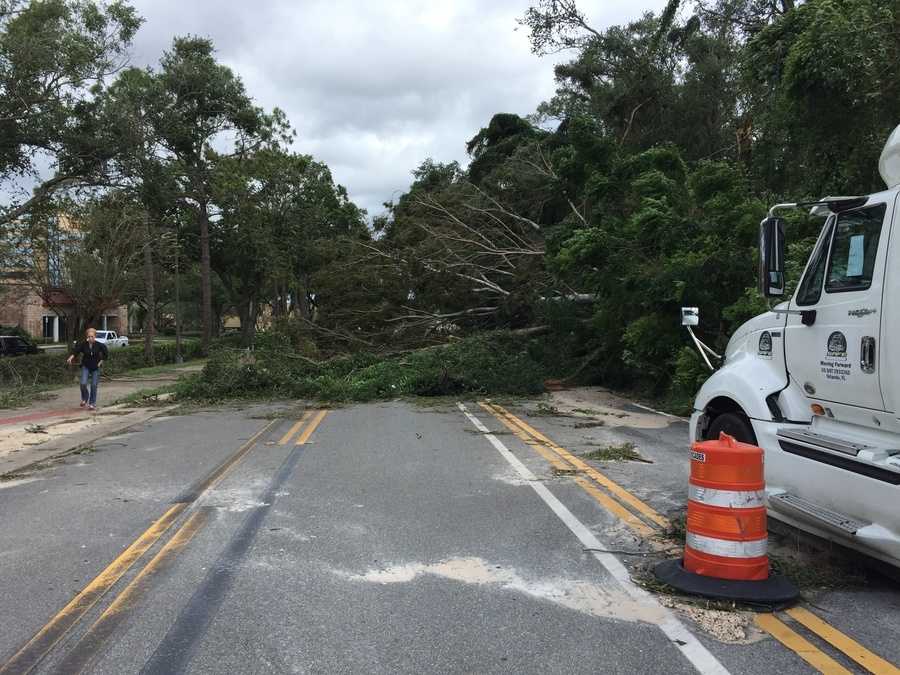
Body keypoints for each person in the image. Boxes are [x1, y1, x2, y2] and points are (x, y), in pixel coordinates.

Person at [67, 328, 108, 410]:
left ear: (95, 336)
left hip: (95, 367)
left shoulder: (99, 345)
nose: (90, 338)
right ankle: (85, 398)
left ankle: (92, 403)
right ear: (87, 337)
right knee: (83, 383)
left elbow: (106, 353)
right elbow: (76, 351)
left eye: (92, 336)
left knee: (94, 385)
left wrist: (100, 362)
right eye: (89, 336)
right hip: (85, 366)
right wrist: (70, 358)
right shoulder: (83, 344)